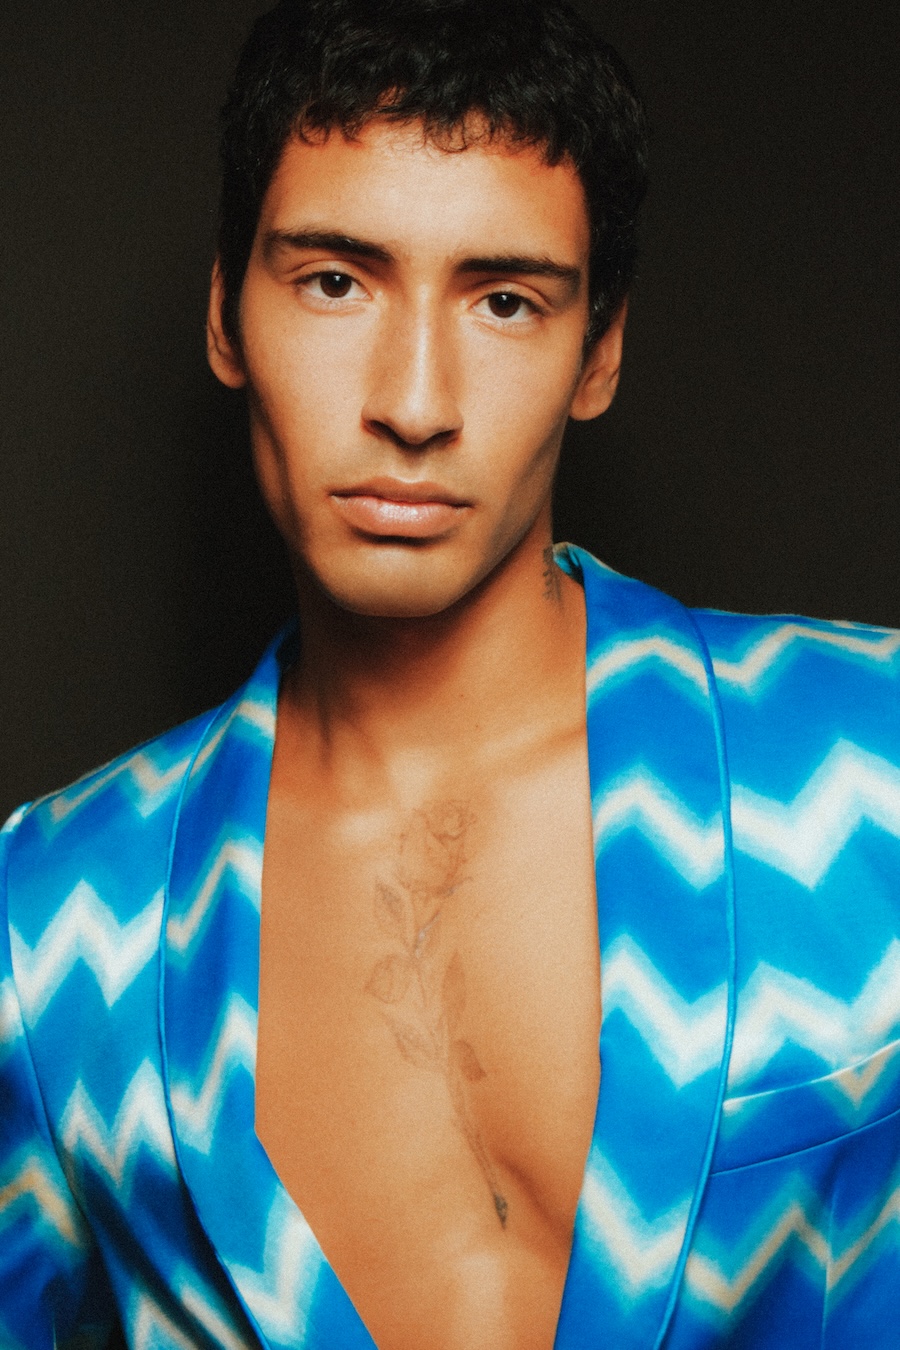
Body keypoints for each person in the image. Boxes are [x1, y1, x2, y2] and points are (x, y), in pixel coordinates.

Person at [2, 0, 899, 1346]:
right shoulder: (52, 924)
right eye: (334, 282)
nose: (413, 403)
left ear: (598, 351)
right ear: (226, 316)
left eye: (504, 301)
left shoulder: (870, 755)